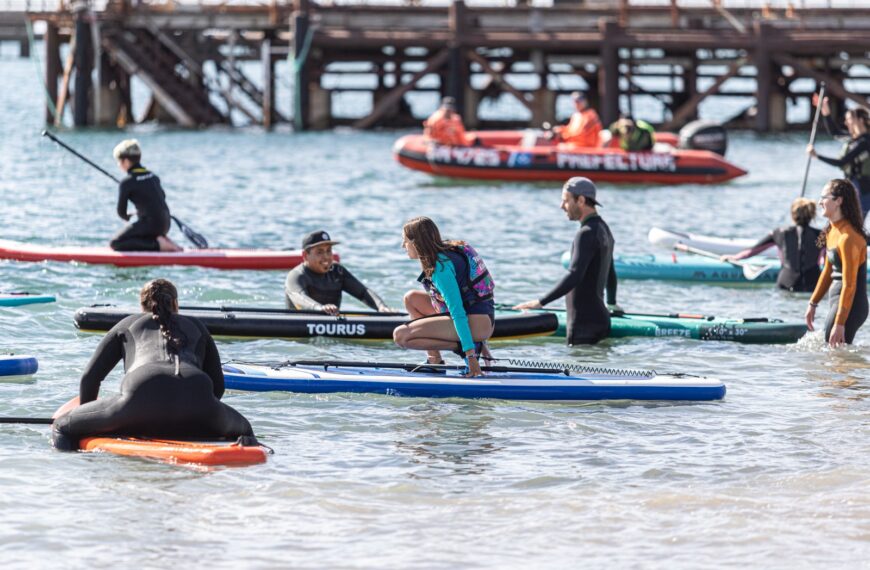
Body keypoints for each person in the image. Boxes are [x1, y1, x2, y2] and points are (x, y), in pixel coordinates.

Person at [52, 279, 255, 451]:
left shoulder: (127, 324)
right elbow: (218, 387)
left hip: (139, 402)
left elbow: (90, 378)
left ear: (142, 306)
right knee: (245, 430)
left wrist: (90, 421)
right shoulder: (197, 326)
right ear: (176, 303)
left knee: (62, 426)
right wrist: (195, 416)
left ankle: (77, 478)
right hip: (200, 402)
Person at [513, 177, 617, 345]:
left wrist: (541, 302)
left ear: (581, 200)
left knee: (580, 368)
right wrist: (612, 303)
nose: (562, 206)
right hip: (599, 320)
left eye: (566, 201)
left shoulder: (586, 233)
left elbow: (574, 274)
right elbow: (611, 271)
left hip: (583, 325)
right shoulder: (603, 229)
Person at [393, 217, 495, 377]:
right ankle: (435, 362)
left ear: (416, 242)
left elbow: (458, 312)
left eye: (405, 241)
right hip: (478, 316)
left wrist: (471, 356)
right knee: (411, 298)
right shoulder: (444, 252)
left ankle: (469, 347)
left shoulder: (441, 268)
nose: (402, 246)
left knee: (401, 336)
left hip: (477, 322)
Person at [805, 179, 869, 346]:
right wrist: (813, 302)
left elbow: (849, 284)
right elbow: (827, 271)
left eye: (823, 197)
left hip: (852, 304)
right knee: (834, 353)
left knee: (833, 350)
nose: (819, 202)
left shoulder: (849, 238)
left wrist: (840, 323)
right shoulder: (832, 230)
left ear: (838, 201)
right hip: (838, 301)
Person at [722, 198, 822, 292]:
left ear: (792, 214)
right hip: (813, 284)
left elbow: (753, 250)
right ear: (813, 214)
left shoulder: (780, 233)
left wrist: (735, 257)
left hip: (786, 283)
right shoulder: (822, 235)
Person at [284, 230, 392, 315]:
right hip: (300, 334)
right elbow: (299, 298)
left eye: (328, 251)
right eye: (319, 252)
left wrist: (381, 307)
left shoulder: (337, 271)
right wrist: (320, 308)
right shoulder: (296, 276)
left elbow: (363, 292)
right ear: (305, 255)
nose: (326, 257)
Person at [109, 139, 181, 252]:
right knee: (139, 228)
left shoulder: (127, 182)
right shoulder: (153, 176)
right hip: (165, 224)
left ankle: (159, 245)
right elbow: (161, 198)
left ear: (126, 162)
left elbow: (121, 213)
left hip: (151, 225)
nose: (118, 165)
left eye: (119, 161)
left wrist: (128, 216)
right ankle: (161, 239)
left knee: (116, 243)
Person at [807, 98, 870, 216]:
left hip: (864, 188)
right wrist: (826, 113)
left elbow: (842, 162)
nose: (846, 123)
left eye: (849, 119)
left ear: (860, 120)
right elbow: (835, 133)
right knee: (849, 219)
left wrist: (817, 156)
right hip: (852, 185)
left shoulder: (865, 142)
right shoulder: (854, 139)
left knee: (858, 220)